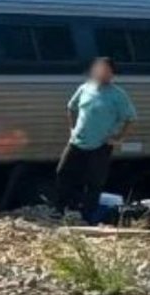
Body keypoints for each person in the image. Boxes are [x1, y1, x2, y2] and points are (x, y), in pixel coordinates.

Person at [54, 57, 137, 223]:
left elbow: (131, 118)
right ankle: (61, 209)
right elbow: (71, 107)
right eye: (98, 68)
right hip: (77, 141)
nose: (100, 72)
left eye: (105, 69)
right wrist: (72, 129)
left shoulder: (117, 95)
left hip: (101, 145)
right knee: (63, 172)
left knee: (94, 182)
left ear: (112, 73)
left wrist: (119, 138)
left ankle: (88, 216)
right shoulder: (84, 88)